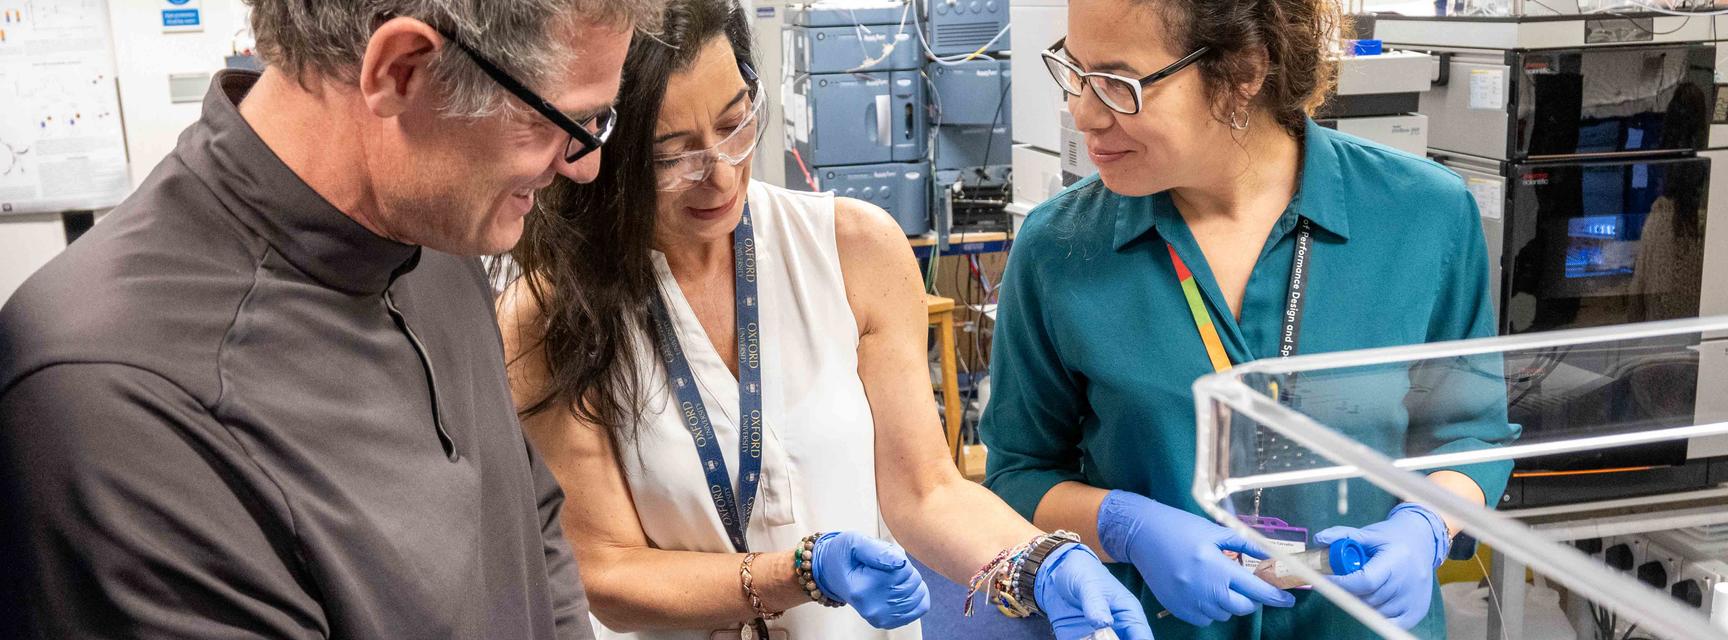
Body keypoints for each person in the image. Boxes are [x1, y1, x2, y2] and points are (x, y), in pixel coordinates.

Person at [0, 1, 660, 638]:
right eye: (565, 121)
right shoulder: (116, 394)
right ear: (402, 71)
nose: (585, 164)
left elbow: (524, 514)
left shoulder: (430, 219)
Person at [497, 1, 1151, 638]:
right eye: (673, 156)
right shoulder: (550, 316)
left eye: (734, 124)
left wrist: (1039, 561)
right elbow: (606, 571)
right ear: (603, 150)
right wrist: (797, 574)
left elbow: (925, 491)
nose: (720, 175)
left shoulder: (853, 249)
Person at [980, 0, 1519, 638]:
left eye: (1119, 85)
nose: (1083, 112)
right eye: (1075, 72)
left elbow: (1471, 437)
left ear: (1243, 70)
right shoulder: (1060, 247)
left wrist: (1427, 527)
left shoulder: (1422, 215)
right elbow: (1019, 474)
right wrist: (1124, 526)